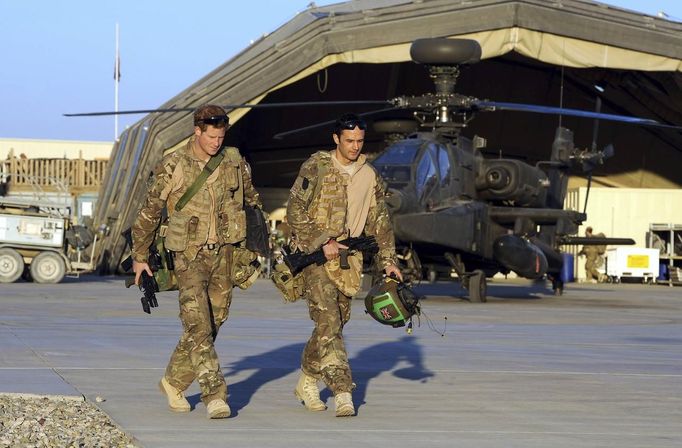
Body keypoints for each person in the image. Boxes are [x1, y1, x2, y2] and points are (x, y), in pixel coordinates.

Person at [130, 104, 262, 419]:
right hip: (189, 256)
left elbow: (251, 201)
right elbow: (149, 212)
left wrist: (255, 246)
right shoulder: (174, 164)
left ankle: (173, 381)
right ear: (197, 131)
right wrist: (139, 257)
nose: (216, 142)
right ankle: (215, 394)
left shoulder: (233, 161)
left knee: (214, 322)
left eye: (221, 136)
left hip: (225, 254)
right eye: (211, 136)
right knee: (198, 324)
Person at [286, 113, 402, 417]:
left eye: (360, 141)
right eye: (349, 140)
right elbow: (295, 208)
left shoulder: (369, 174)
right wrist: (322, 240)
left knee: (335, 322)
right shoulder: (317, 167)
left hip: (349, 258)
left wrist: (388, 261)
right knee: (329, 322)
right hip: (316, 257)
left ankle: (308, 380)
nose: (354, 146)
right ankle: (342, 392)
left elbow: (381, 220)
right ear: (336, 138)